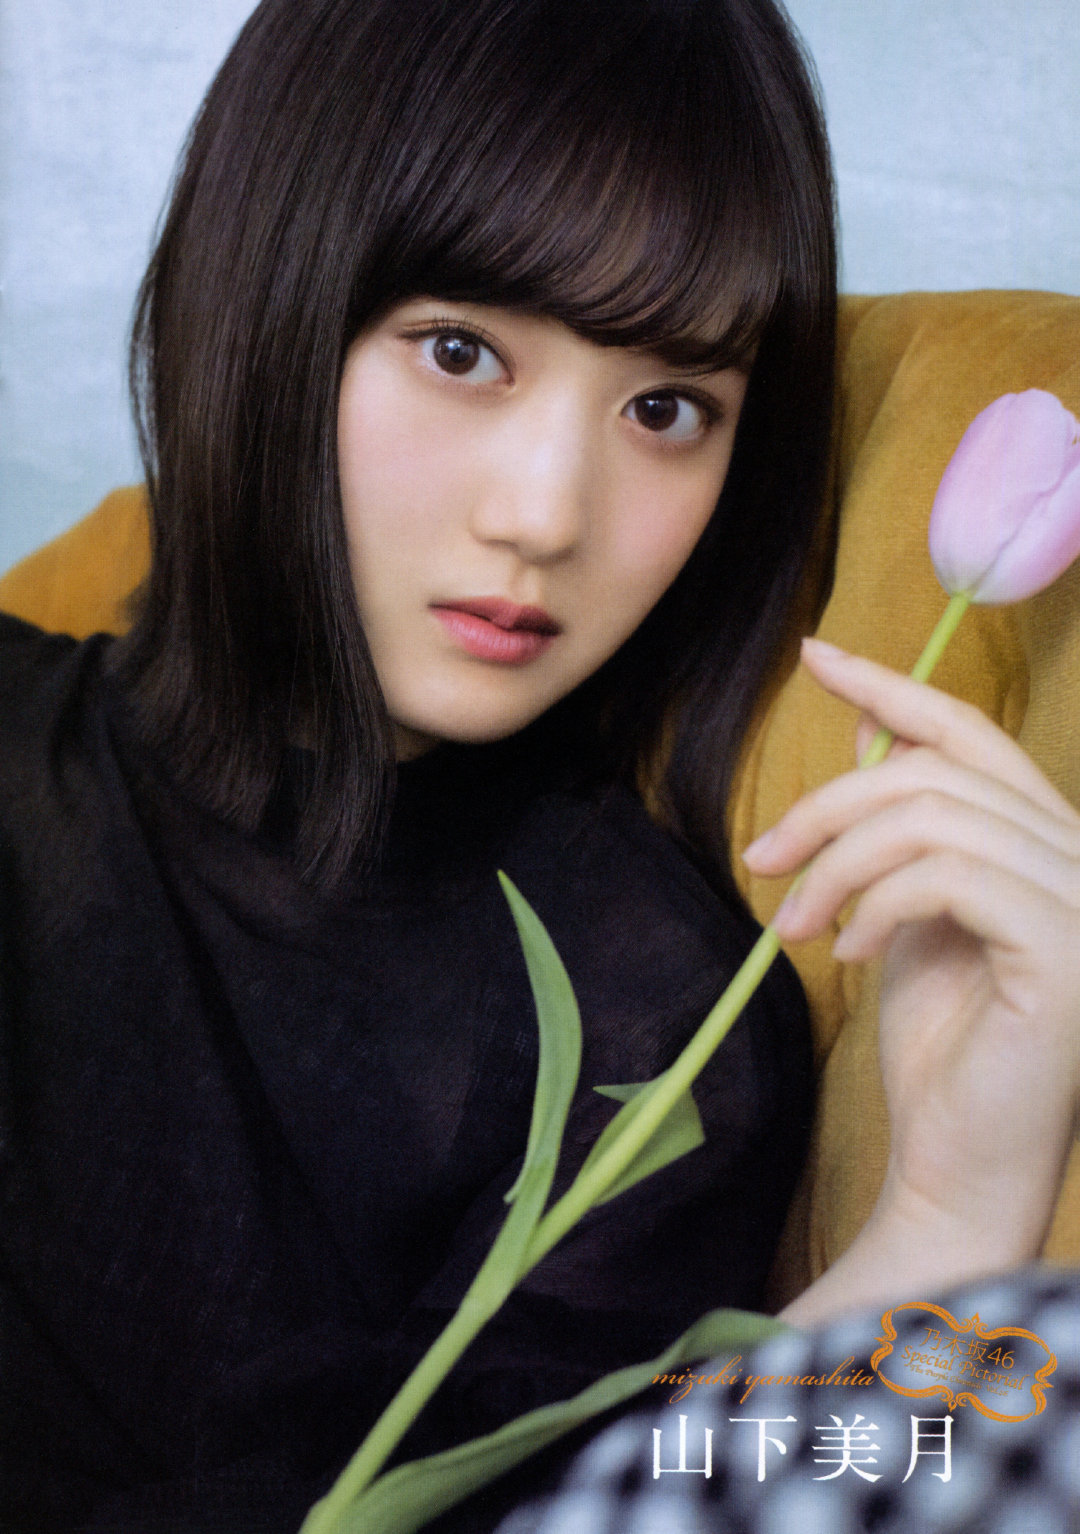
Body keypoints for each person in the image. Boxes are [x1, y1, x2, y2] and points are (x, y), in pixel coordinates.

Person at [1, 2, 1078, 1532]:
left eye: (667, 409)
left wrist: (950, 1212)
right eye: (462, 352)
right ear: (268, 291)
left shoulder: (658, 1035)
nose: (547, 514)